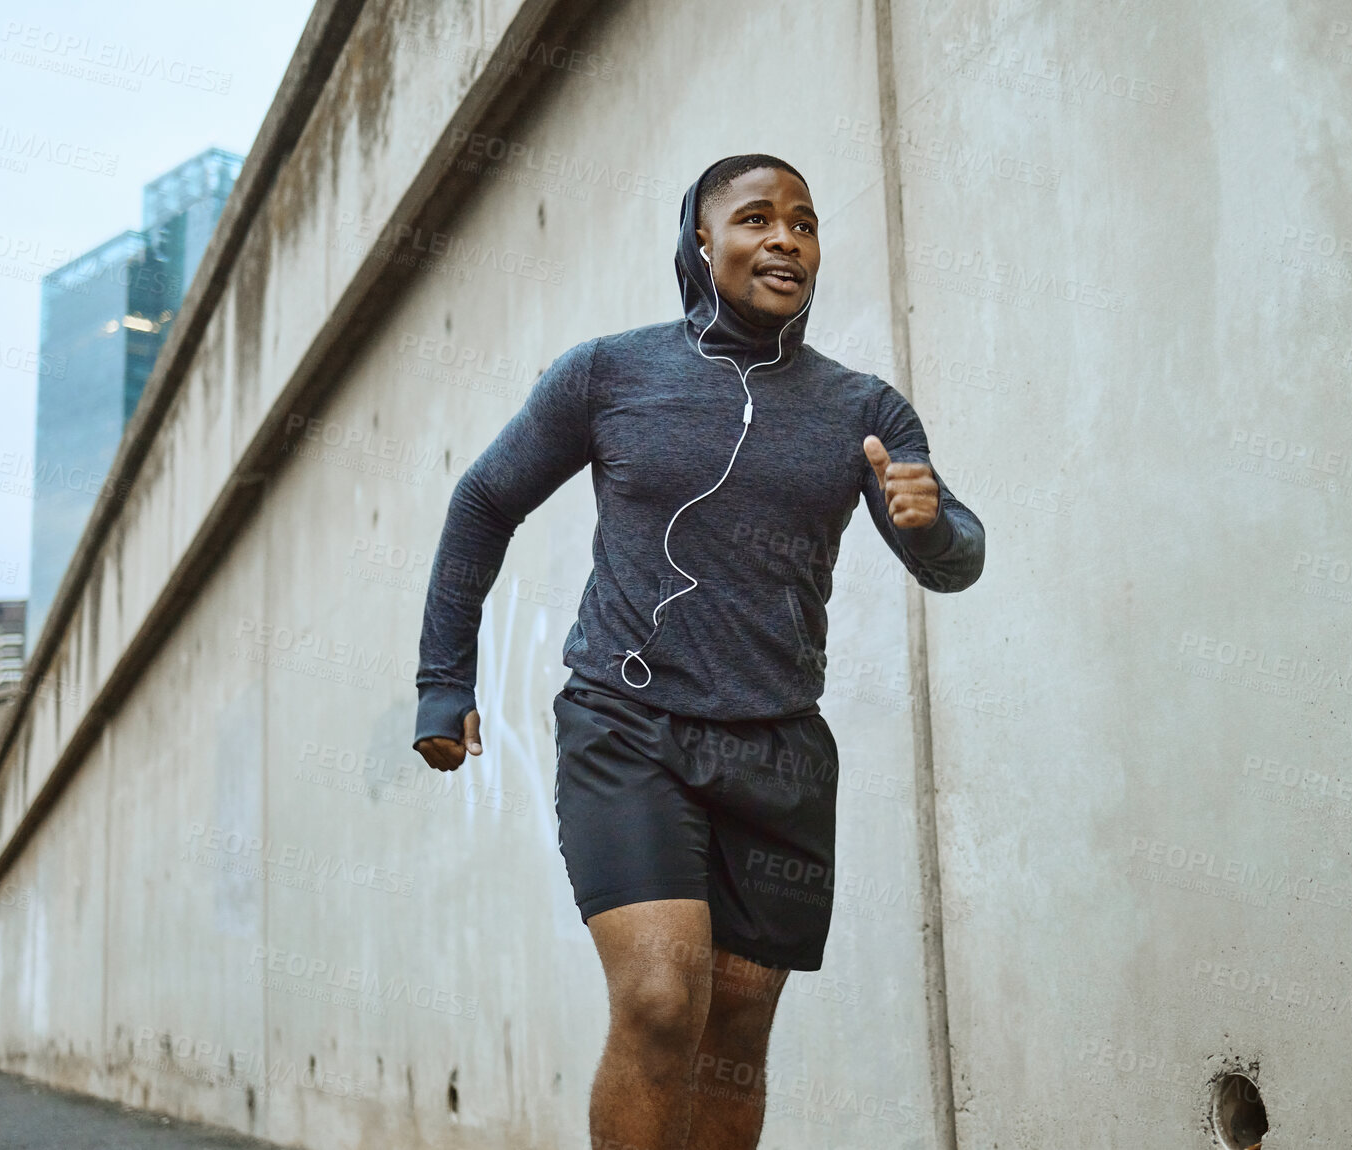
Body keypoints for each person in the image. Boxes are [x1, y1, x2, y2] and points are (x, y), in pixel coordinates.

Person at [412, 153, 985, 1150]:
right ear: (702, 241)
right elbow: (484, 501)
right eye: (756, 218)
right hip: (627, 726)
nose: (784, 240)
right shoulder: (608, 374)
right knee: (662, 998)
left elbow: (950, 561)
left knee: (733, 1035)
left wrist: (931, 525)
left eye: (802, 224)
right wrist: (441, 682)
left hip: (777, 751)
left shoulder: (865, 412)